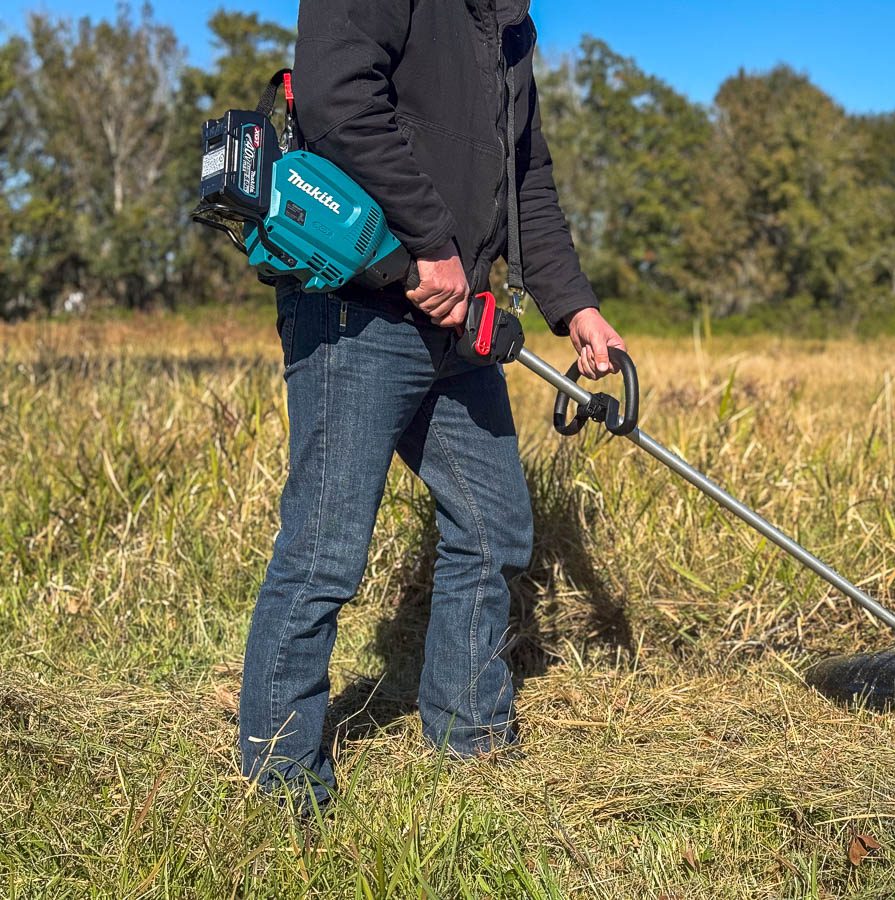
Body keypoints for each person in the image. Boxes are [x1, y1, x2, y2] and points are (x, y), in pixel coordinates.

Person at [238, 0, 627, 808]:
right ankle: (278, 784)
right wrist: (431, 241)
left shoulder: (510, 29)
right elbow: (337, 96)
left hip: (457, 327)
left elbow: (529, 180)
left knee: (494, 525)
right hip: (364, 303)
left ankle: (468, 736)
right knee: (324, 549)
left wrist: (576, 307)